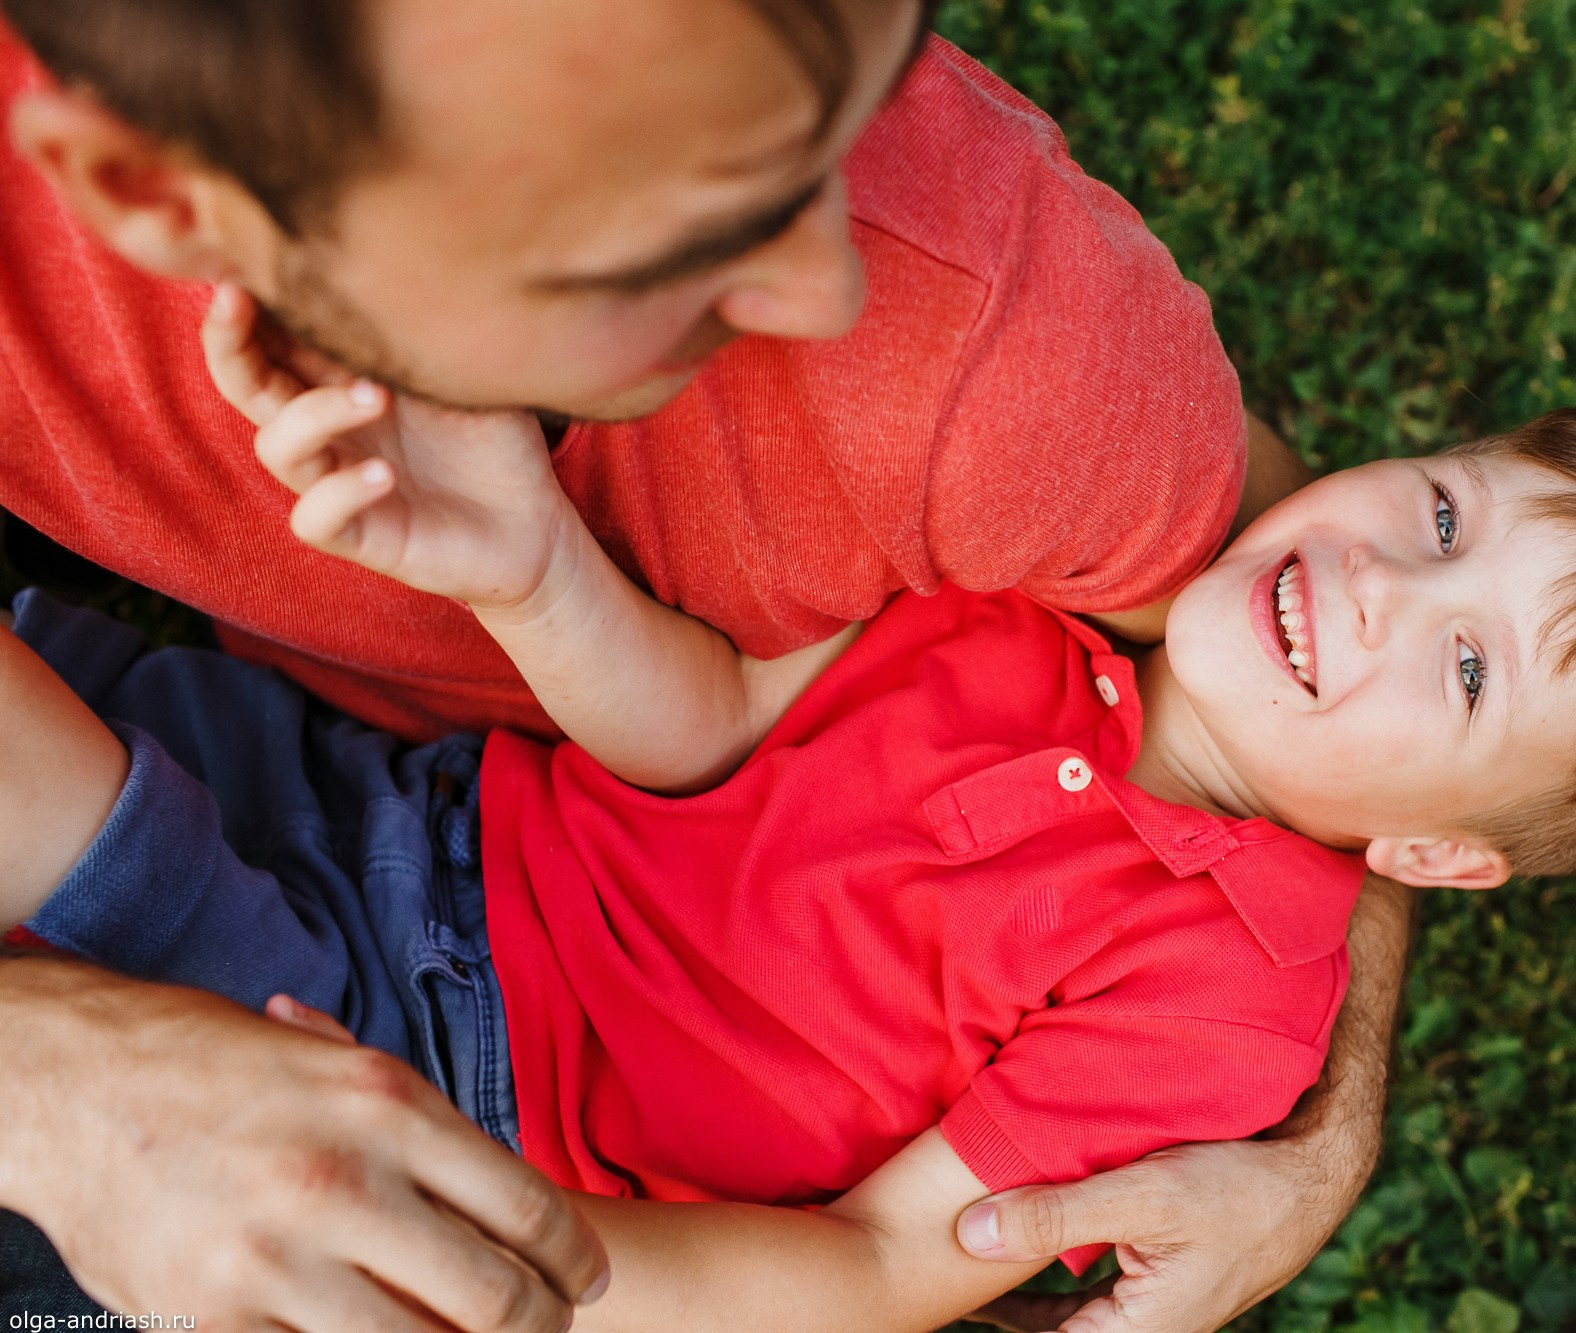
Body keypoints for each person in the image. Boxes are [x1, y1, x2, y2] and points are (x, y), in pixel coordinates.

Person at [0, 0, 1401, 1327]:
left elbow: (1288, 602)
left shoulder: (994, 342)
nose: (830, 280)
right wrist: (62, 1088)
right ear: (163, 200)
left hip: (422, 902)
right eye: (681, 232)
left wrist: (1318, 1134)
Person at [0, 337, 1576, 1331]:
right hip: (400, 811)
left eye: (1474, 667)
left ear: (1439, 858)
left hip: (448, 1072)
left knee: (100, 882)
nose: (1380, 582)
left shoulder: (1225, 1005)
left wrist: (529, 1265)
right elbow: (706, 724)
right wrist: (532, 566)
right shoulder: (1024, 616)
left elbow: (881, 1260)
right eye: (1441, 509)